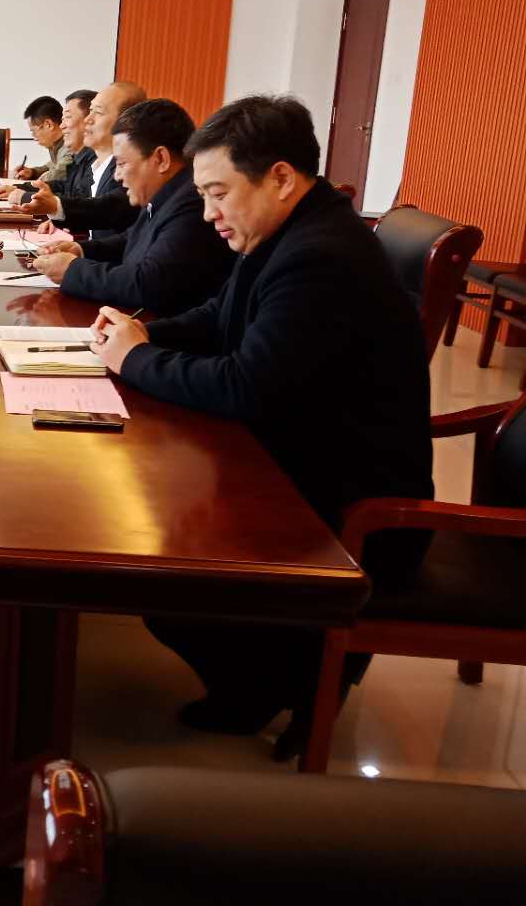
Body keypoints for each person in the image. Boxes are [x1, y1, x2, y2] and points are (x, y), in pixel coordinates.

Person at [89, 95, 433, 756]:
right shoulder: (288, 229)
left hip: (350, 507)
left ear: (279, 177)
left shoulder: (321, 257)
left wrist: (135, 360)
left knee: (161, 567)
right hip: (301, 461)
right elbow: (221, 317)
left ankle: (289, 678)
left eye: (218, 194)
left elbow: (244, 388)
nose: (208, 214)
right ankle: (265, 675)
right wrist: (143, 335)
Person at [33, 98, 233, 317]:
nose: (117, 176)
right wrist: (81, 250)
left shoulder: (192, 203)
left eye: (121, 164)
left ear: (161, 159)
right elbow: (133, 238)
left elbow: (149, 284)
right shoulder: (168, 193)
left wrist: (73, 271)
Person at [18, 82, 146, 233]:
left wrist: (55, 207)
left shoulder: (128, 170)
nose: (87, 120)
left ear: (126, 121)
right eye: (90, 111)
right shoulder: (97, 165)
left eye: (98, 112)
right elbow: (72, 192)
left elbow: (106, 209)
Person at [12, 96, 67, 181]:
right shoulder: (58, 145)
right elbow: (51, 166)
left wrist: (27, 185)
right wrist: (32, 172)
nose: (34, 138)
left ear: (48, 124)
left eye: (34, 131)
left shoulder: (72, 144)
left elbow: (58, 173)